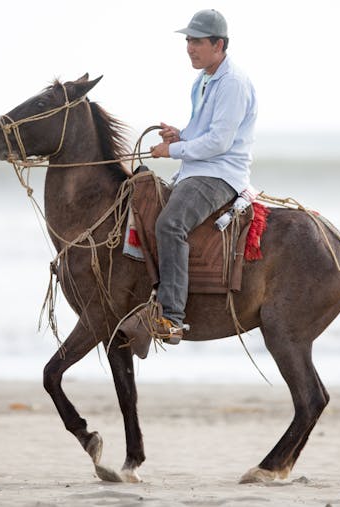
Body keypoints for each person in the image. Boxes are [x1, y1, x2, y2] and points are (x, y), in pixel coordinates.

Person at [120, 9, 257, 345]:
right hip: (197, 170)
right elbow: (203, 133)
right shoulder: (204, 80)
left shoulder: (233, 84)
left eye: (196, 41)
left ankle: (172, 317)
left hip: (220, 175)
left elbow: (219, 142)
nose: (189, 47)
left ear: (218, 44)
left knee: (170, 224)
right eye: (188, 40)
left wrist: (172, 151)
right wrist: (180, 136)